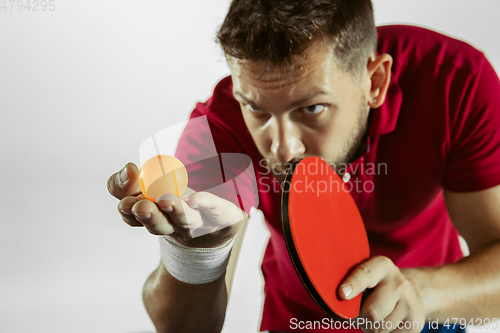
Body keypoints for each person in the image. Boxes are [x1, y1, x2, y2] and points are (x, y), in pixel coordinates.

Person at [107, 0, 500, 332]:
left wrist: (422, 292)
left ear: (375, 82)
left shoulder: (454, 82)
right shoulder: (219, 130)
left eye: (312, 108)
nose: (281, 148)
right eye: (256, 107)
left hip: (425, 314)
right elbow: (183, 328)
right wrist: (197, 252)